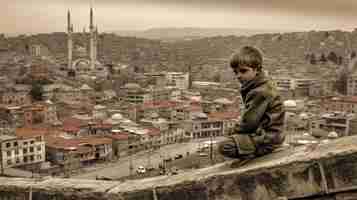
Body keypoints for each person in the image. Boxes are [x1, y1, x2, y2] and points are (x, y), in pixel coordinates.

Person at [218, 46, 285, 162]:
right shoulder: (261, 86)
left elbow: (249, 123)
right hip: (270, 136)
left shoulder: (259, 92)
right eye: (236, 72)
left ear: (257, 70)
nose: (238, 75)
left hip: (267, 139)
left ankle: (254, 154)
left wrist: (232, 131)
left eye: (243, 71)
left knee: (224, 146)